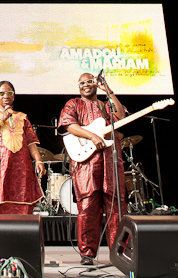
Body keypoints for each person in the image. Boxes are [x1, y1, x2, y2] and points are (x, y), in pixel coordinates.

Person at [58, 73, 127, 265]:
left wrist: (109, 91)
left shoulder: (106, 105)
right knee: (88, 207)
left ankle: (118, 252)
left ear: (96, 84)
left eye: (90, 81)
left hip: (111, 162)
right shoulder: (73, 104)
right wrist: (91, 136)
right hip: (86, 164)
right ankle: (87, 254)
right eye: (82, 83)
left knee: (116, 207)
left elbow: (121, 116)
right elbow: (68, 125)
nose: (86, 85)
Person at [0, 80, 45, 214]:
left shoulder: (23, 117)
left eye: (9, 93)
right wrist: (2, 119)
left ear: (13, 96)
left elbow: (31, 141)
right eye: (2, 93)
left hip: (20, 168)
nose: (6, 96)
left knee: (21, 201)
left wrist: (38, 160)